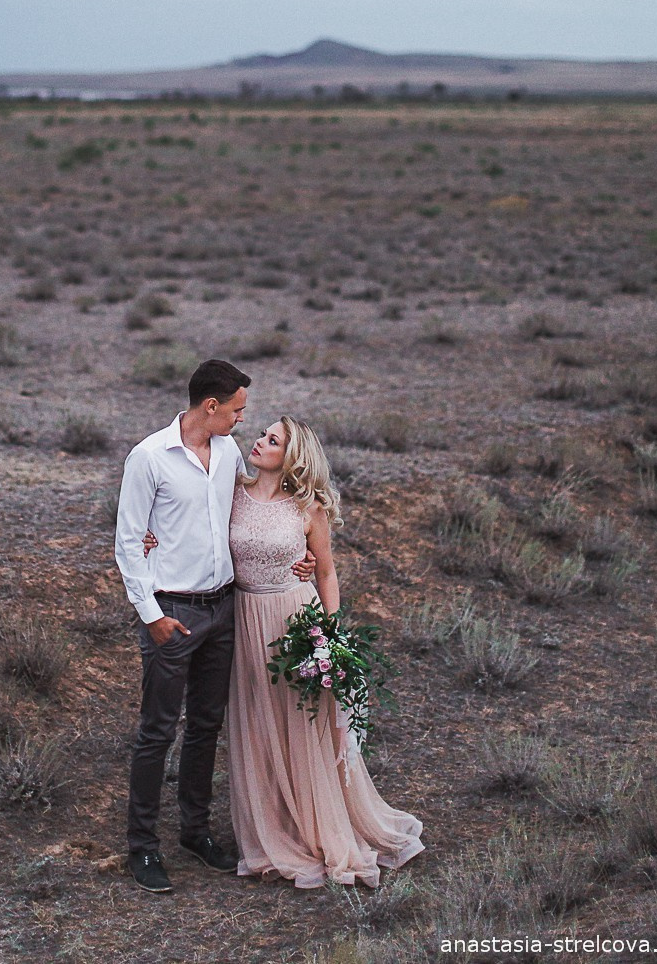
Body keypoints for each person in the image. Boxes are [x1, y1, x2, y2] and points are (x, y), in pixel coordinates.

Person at [147, 415, 424, 888]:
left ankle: (314, 826)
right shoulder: (233, 491)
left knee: (302, 723)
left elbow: (327, 574)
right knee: (257, 725)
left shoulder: (308, 507)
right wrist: (154, 539)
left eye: (271, 440)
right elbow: (196, 530)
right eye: (262, 434)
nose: (258, 441)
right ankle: (270, 828)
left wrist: (330, 638)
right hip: (243, 621)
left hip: (294, 619)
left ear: (291, 456)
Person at [114, 358, 314, 894]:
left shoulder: (226, 454)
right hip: (172, 613)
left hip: (223, 609)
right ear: (211, 405)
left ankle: (195, 833)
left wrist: (301, 558)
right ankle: (143, 847)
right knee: (157, 730)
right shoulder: (149, 457)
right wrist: (152, 616)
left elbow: (257, 517)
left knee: (206, 727)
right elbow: (129, 541)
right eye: (237, 410)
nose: (241, 421)